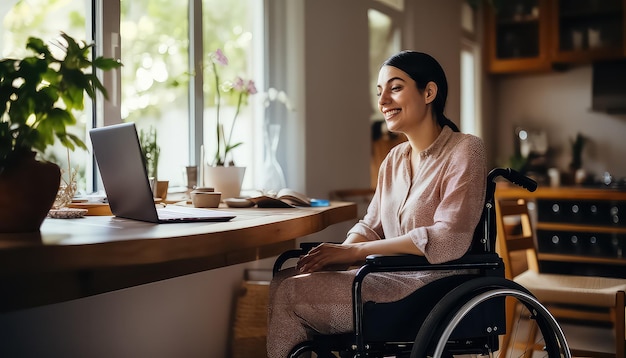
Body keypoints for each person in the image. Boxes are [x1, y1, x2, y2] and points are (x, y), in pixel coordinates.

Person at [266, 50, 487, 358]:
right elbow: (371, 225)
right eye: (380, 92)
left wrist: (356, 252)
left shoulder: (465, 150)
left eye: (395, 88)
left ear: (429, 92)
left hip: (431, 286)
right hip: (385, 275)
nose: (383, 102)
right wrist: (343, 253)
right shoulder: (394, 159)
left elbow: (448, 239)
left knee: (291, 292)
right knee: (283, 279)